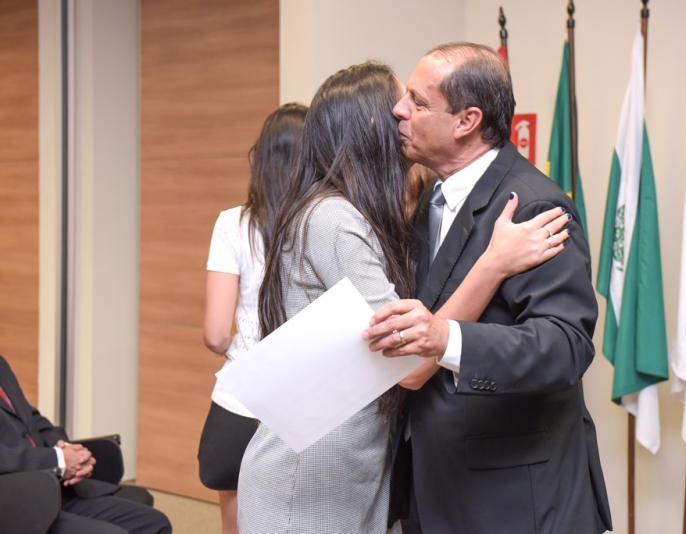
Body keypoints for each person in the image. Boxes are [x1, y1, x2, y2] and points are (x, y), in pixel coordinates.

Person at [236, 62, 571, 534]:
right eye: (401, 105)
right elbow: (411, 363)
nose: (406, 113)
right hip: (311, 475)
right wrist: (494, 263)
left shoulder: (371, 210)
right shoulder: (333, 218)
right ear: (373, 127)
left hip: (349, 466)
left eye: (415, 103)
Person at [363, 42, 613, 533]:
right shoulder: (430, 200)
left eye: (417, 101)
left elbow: (565, 345)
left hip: (512, 497)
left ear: (467, 121)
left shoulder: (534, 207)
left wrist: (448, 339)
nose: (399, 110)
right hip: (437, 486)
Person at [199, 103, 308, 534]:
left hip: (242, 399)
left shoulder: (233, 224)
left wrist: (237, 345)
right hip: (308, 399)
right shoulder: (328, 222)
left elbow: (214, 334)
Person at [0, 354, 171, 534]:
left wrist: (65, 449)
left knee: (155, 524)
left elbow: (32, 418)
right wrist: (58, 460)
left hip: (50, 486)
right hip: (13, 498)